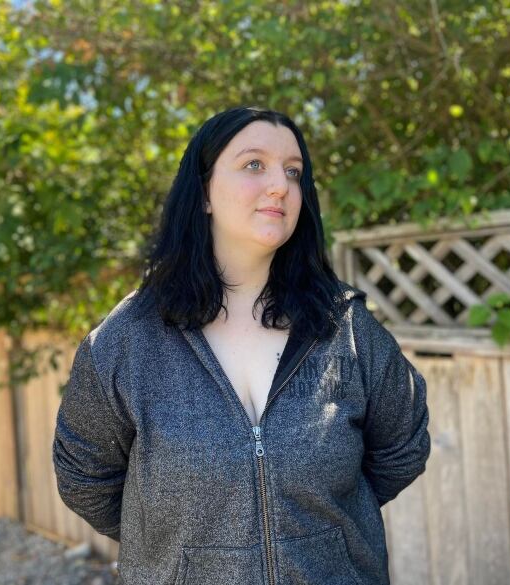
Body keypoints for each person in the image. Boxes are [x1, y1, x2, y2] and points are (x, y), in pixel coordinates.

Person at [52, 106, 431, 585]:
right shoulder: (128, 340)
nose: (281, 185)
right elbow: (84, 478)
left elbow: (404, 446)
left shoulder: (344, 327)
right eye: (255, 164)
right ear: (204, 191)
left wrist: (325, 533)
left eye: (294, 172)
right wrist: (181, 552)